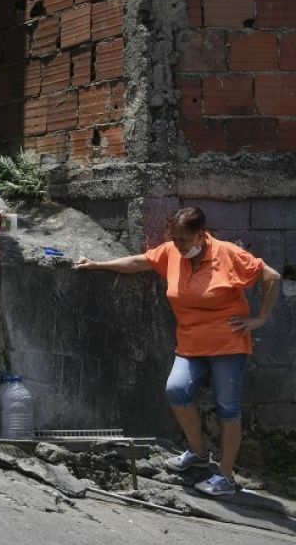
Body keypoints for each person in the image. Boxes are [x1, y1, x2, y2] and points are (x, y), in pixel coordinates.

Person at [75, 207, 280, 497]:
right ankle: (198, 452)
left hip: (227, 344)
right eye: (175, 238)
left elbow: (271, 277)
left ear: (200, 235)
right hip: (190, 344)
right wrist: (97, 264)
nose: (178, 244)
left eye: (183, 239)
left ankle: (226, 477)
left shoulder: (228, 254)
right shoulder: (172, 251)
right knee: (177, 390)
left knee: (228, 409)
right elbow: (139, 261)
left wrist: (259, 319)